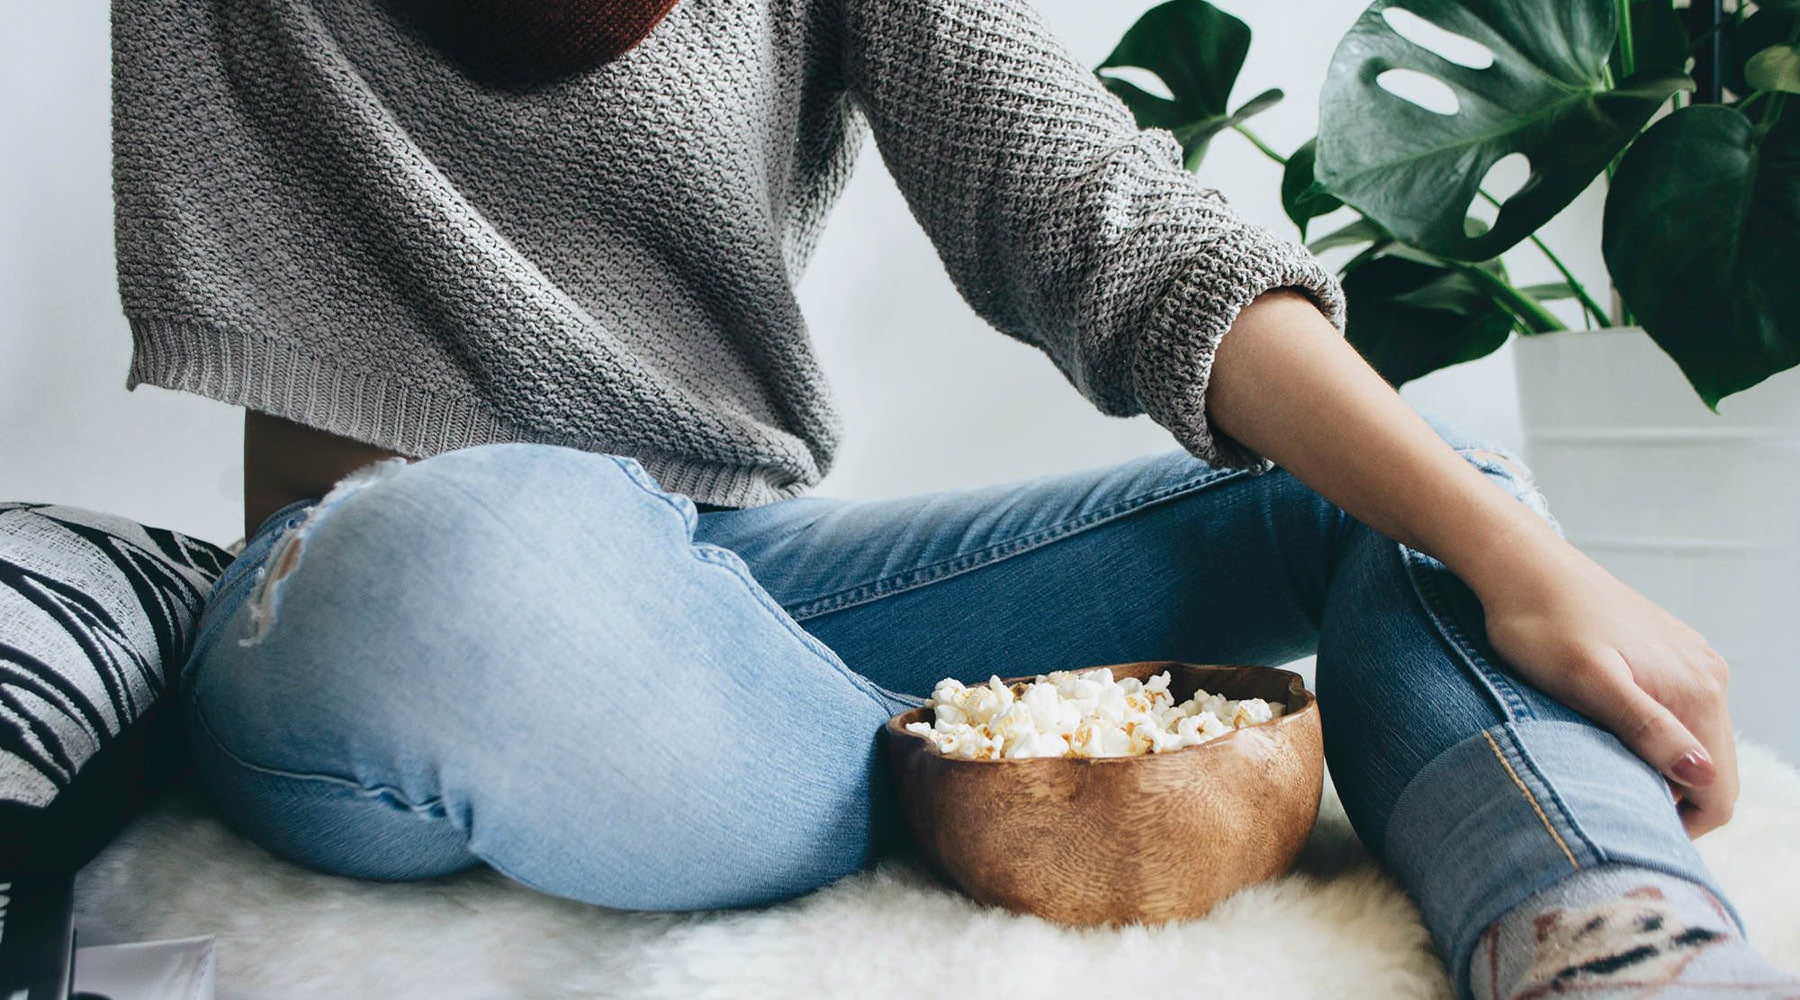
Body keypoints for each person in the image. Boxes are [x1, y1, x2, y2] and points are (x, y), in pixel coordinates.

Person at [111, 0, 1794, 996]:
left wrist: (1511, 552)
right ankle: (949, 777)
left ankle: (1608, 930)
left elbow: (1107, 218)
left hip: (727, 593)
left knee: (1424, 499)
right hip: (369, 612)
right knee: (472, 548)